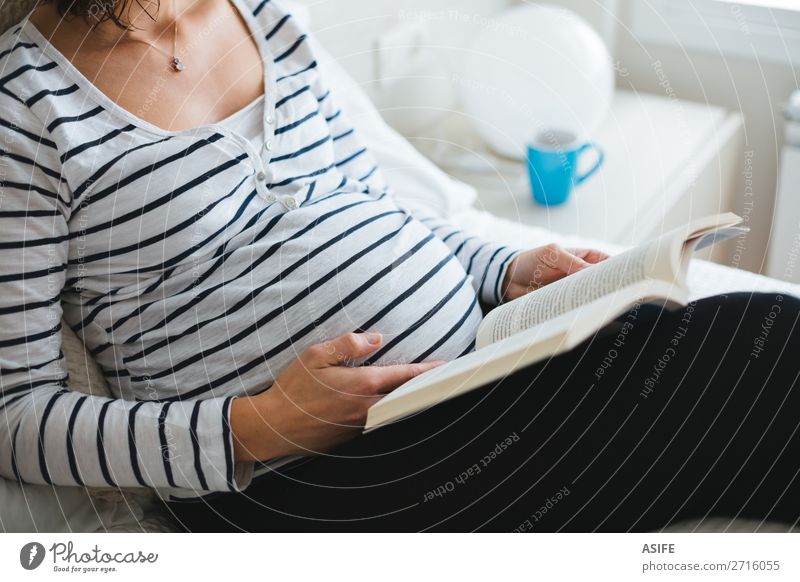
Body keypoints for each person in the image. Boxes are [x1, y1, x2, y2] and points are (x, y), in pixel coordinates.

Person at [1, 0, 798, 532]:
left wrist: (505, 268)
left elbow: (372, 209)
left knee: (764, 334)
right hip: (306, 476)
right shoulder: (24, 108)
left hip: (471, 378)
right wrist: (259, 424)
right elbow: (15, 416)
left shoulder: (261, 15)